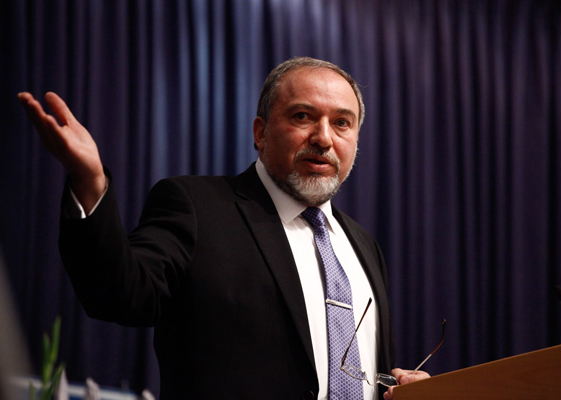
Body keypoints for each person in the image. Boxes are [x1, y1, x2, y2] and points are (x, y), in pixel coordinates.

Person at [18, 57, 429, 399]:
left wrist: (402, 388)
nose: (323, 138)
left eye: (342, 123)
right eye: (303, 116)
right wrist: (90, 183)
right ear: (260, 132)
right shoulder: (198, 207)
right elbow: (119, 294)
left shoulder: (363, 246)